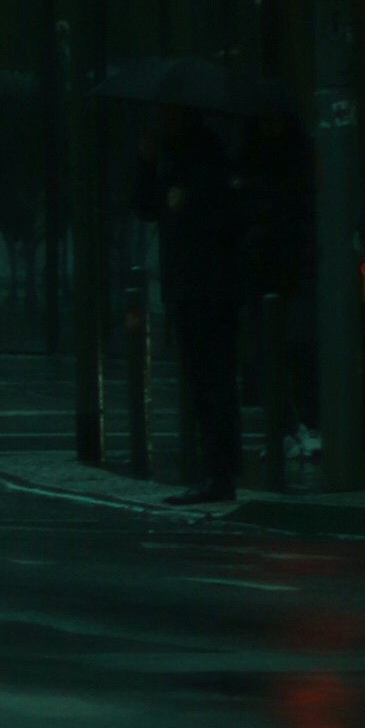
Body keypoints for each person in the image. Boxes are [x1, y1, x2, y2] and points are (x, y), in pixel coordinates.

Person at [138, 99, 248, 502]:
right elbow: (146, 206)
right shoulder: (173, 161)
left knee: (213, 381)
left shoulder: (210, 162)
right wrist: (146, 162)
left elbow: (221, 220)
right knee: (201, 382)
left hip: (209, 287)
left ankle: (220, 472)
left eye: (168, 116)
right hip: (185, 285)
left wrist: (185, 205)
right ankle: (217, 469)